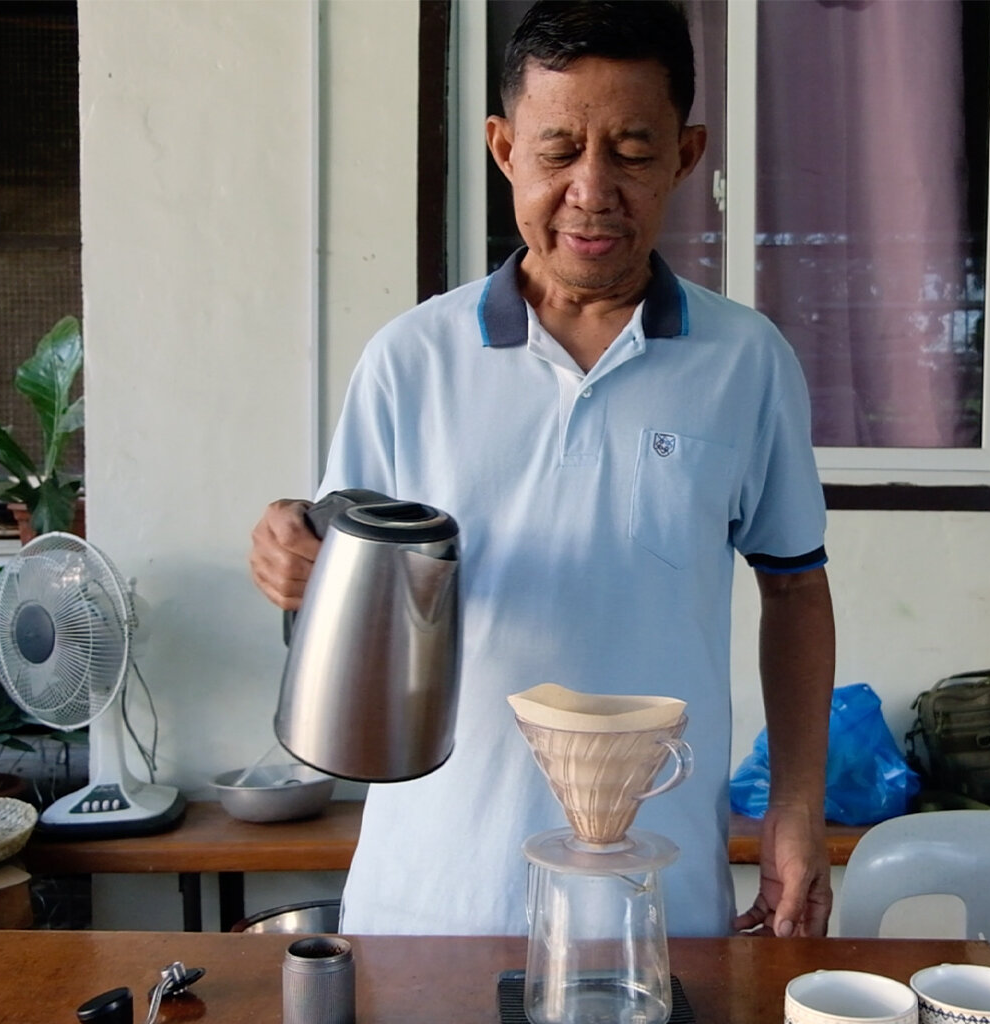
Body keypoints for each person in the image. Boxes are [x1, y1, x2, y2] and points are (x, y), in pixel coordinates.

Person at [248, 0, 835, 939]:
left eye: (632, 152)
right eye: (558, 151)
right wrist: (294, 558)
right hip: (430, 900)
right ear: (503, 148)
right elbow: (340, 572)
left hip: (659, 898)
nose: (592, 190)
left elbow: (797, 590)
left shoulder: (746, 362)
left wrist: (795, 809)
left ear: (686, 156)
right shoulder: (411, 360)